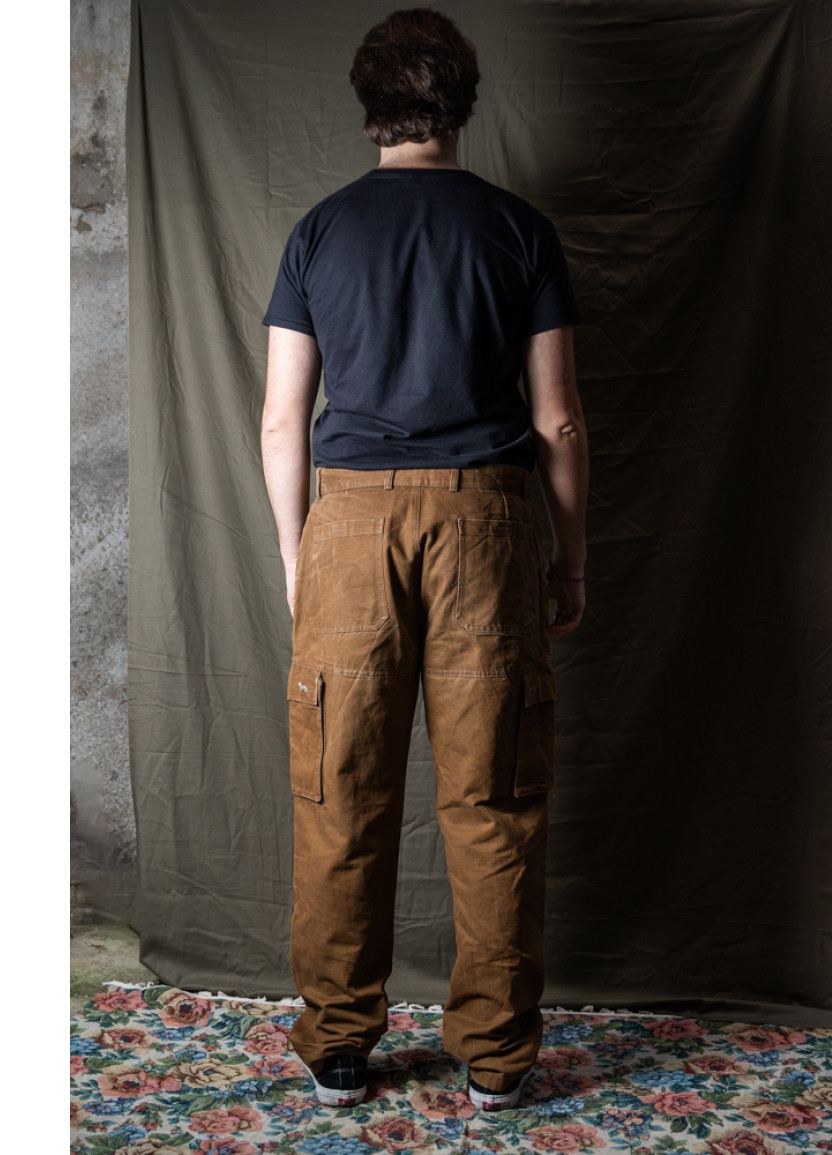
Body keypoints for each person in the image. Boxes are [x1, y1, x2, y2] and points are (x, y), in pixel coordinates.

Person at [260, 6, 588, 1113]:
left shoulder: (318, 231)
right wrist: (567, 559)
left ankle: (340, 1046)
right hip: (487, 528)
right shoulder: (518, 230)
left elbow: (282, 420)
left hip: (348, 525)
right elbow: (558, 421)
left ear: (370, 109)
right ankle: (497, 1057)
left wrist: (298, 551)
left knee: (338, 793)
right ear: (461, 104)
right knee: (493, 801)